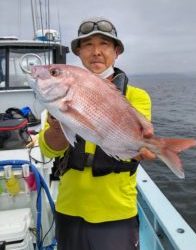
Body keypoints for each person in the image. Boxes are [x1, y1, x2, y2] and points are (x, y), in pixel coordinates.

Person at [38, 17, 155, 250]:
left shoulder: (137, 96)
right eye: (88, 45)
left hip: (116, 210)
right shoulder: (58, 92)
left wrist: (142, 148)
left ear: (116, 52)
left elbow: (137, 144)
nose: (96, 52)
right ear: (79, 53)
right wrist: (57, 120)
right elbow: (48, 149)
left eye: (104, 44)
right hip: (70, 207)